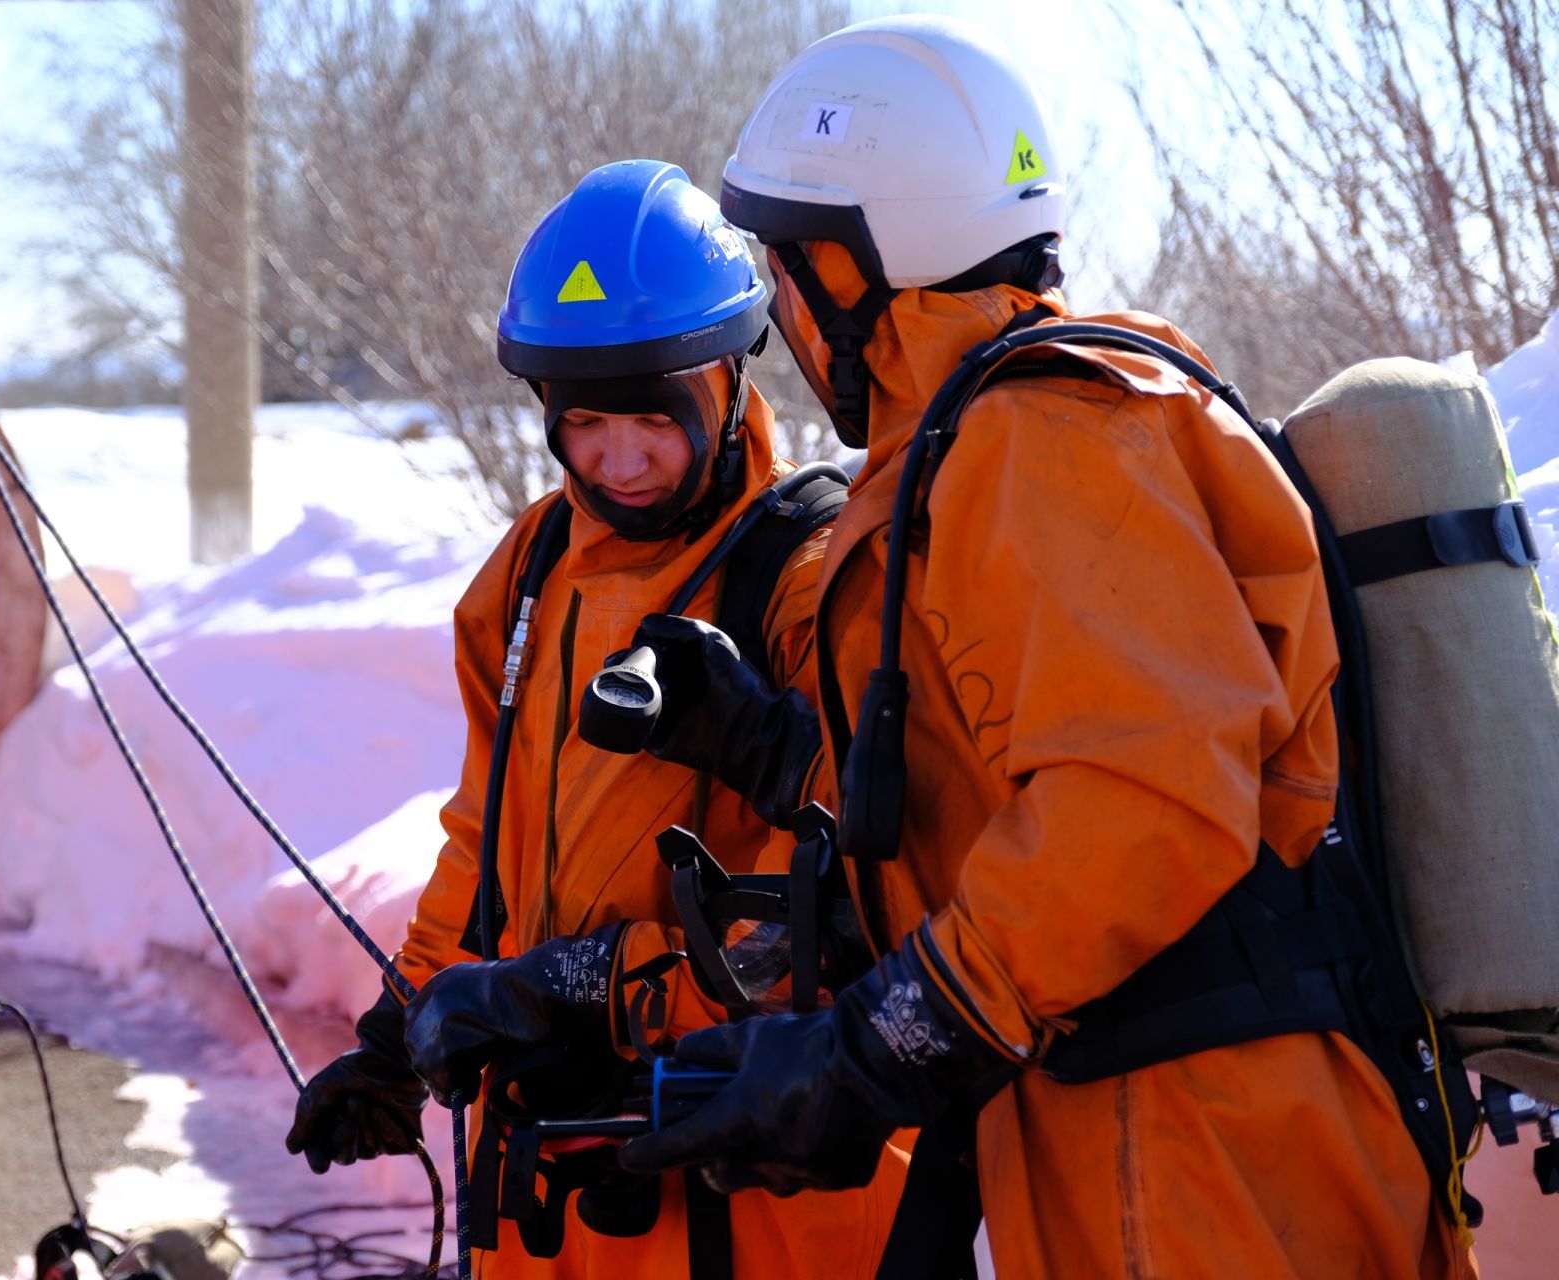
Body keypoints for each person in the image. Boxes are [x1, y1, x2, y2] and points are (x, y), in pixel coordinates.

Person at [610, 16, 1476, 1280]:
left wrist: (886, 1042)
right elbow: (998, 788)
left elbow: (1143, 800)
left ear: (864, 264)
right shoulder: (977, 448)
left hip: (1205, 1147)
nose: (782, 309)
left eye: (788, 267)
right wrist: (764, 740)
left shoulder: (1040, 439)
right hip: (1137, 1119)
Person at [286, 159, 905, 1277]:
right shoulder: (528, 574)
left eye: (654, 420)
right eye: (585, 425)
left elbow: (845, 909)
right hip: (547, 1191)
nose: (620, 460)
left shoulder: (813, 573)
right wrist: (396, 1035)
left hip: (740, 1186)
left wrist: (581, 990)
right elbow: (487, 841)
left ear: (725, 378)